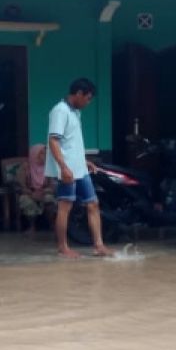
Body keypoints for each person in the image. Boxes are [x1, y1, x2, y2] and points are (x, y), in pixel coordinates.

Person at [46, 78, 112, 258]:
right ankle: (63, 246)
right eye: (88, 98)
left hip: (79, 168)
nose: (88, 102)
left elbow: (72, 142)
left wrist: (84, 160)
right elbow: (54, 141)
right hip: (67, 168)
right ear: (78, 94)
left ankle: (99, 245)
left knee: (93, 203)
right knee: (65, 206)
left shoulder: (75, 112)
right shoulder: (60, 111)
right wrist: (63, 167)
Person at [18, 143, 55, 233]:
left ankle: (52, 225)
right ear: (34, 154)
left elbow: (52, 186)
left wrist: (44, 192)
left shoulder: (48, 167)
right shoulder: (25, 167)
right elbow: (21, 186)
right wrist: (32, 194)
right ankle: (32, 226)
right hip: (29, 193)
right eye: (42, 153)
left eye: (46, 153)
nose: (45, 156)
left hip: (44, 192)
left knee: (49, 198)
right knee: (26, 201)